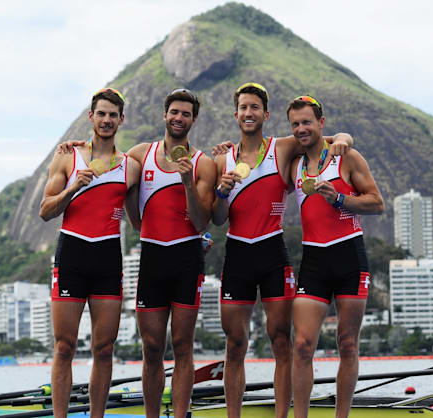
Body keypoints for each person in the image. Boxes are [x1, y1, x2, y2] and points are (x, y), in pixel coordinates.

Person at [211, 82, 354, 418]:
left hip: (273, 253)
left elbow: (327, 138)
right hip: (237, 255)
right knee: (235, 345)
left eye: (255, 108)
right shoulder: (222, 159)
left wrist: (345, 139)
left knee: (281, 342)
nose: (249, 113)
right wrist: (221, 191)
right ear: (236, 114)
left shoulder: (284, 147)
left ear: (265, 114)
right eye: (243, 108)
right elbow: (217, 220)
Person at [38, 87, 141, 418]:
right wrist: (74, 187)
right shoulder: (68, 157)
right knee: (64, 347)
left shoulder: (130, 167)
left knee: (104, 349)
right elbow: (45, 210)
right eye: (102, 114)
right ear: (91, 117)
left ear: (121, 120)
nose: (107, 120)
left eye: (113, 115)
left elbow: (143, 218)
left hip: (108, 258)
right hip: (72, 255)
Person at [286, 95, 384, 418]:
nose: (301, 129)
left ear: (321, 124)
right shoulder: (294, 165)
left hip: (348, 256)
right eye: (295, 124)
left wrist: (340, 199)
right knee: (301, 345)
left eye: (307, 122)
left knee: (347, 343)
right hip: (314, 260)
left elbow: (376, 203)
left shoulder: (347, 157)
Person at [124, 88, 217, 418]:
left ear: (193, 120)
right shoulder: (140, 154)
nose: (179, 118)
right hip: (152, 257)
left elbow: (201, 220)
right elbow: (110, 168)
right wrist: (72, 147)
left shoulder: (203, 163)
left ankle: (180, 414)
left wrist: (187, 181)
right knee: (151, 348)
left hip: (186, 259)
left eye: (186, 114)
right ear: (165, 115)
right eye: (174, 112)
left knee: (182, 346)